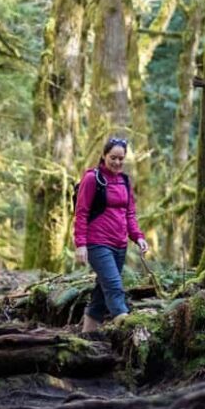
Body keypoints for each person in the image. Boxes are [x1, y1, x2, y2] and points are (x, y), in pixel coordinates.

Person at [74, 137, 148, 333]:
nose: (117, 162)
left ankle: (87, 336)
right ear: (104, 156)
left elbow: (130, 213)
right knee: (114, 286)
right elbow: (81, 213)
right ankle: (128, 329)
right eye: (113, 157)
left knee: (102, 289)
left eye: (121, 158)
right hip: (97, 243)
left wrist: (138, 237)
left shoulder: (124, 181)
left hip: (120, 245)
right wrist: (80, 244)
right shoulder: (93, 179)